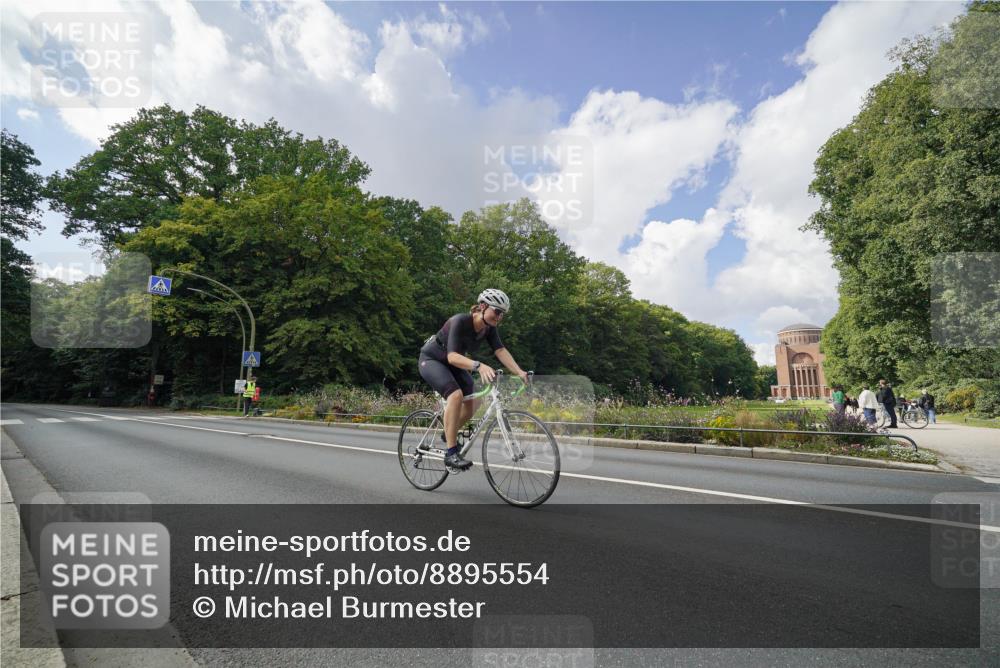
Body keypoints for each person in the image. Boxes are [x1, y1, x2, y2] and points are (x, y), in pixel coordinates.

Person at [418, 289, 529, 471]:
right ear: (483, 306)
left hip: (454, 364)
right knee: (455, 395)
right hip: (432, 360)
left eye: (503, 314)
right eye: (497, 311)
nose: (499, 317)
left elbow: (500, 350)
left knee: (476, 399)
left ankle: (449, 433)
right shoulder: (460, 321)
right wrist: (479, 366)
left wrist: (519, 371)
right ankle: (451, 452)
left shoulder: (489, 328)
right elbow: (452, 356)